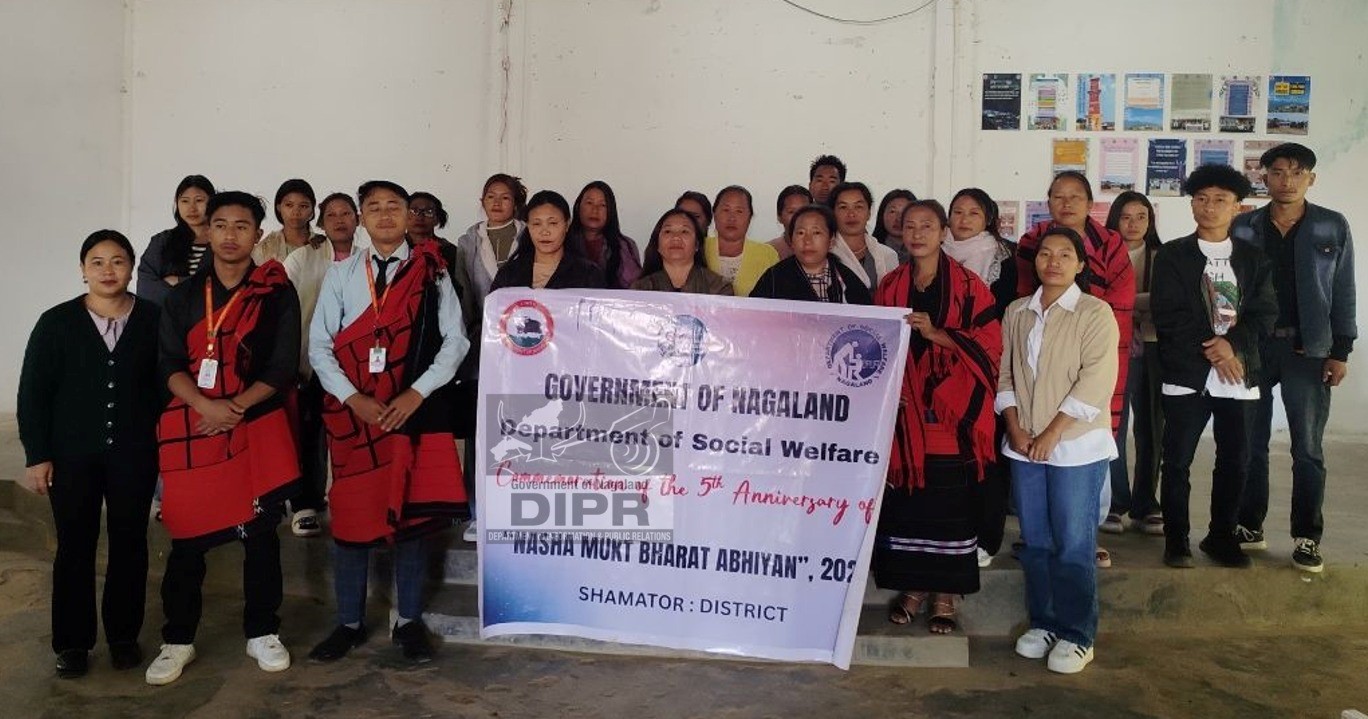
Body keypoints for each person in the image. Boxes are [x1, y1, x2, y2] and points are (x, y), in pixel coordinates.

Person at [307, 180, 470, 664]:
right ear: (361, 218)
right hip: (354, 415)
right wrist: (352, 398)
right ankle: (349, 623)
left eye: (393, 206)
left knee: (413, 517)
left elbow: (456, 341)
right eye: (373, 207)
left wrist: (417, 393)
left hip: (411, 411)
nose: (384, 215)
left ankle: (409, 622)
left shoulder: (432, 271)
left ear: (407, 215)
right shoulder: (341, 274)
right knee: (352, 512)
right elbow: (320, 345)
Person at [146, 191, 302, 686]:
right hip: (195, 423)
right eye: (220, 224)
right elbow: (168, 364)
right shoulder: (183, 296)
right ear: (207, 231)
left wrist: (234, 409)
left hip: (256, 422)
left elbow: (282, 365)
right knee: (187, 537)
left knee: (261, 533)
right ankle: (178, 638)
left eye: (241, 225)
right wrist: (206, 406)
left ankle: (263, 630)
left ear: (258, 234)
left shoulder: (276, 292)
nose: (230, 235)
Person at [18, 231, 162, 679]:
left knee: (130, 543)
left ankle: (123, 637)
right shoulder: (56, 322)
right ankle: (73, 643)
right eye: (96, 262)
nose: (107, 270)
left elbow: (166, 388)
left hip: (135, 454)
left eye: (117, 261)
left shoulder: (154, 320)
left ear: (131, 268)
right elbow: (33, 394)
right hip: (71, 456)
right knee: (74, 546)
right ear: (82, 270)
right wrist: (38, 455)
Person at [874, 200, 1002, 635]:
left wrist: (936, 334)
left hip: (950, 413)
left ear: (943, 232)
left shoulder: (970, 286)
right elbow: (876, 343)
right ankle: (913, 588)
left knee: (949, 505)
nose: (916, 234)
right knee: (909, 503)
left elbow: (989, 344)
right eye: (909, 226)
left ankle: (945, 594)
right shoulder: (890, 284)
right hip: (905, 412)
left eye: (927, 226)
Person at [999, 227, 1119, 675]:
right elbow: (1005, 374)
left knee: (1072, 543)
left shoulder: (1094, 312)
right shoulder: (1017, 312)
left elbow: (1096, 380)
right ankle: (1045, 622)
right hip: (1025, 444)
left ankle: (1077, 633)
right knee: (1036, 542)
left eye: (1065, 254)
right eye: (1046, 254)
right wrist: (1014, 427)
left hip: (1075, 445)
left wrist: (1052, 433)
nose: (1053, 262)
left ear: (1080, 264)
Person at [1235, 143, 1357, 573]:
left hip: (1308, 350)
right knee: (1250, 443)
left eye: (1297, 172)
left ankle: (1307, 536)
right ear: (1264, 177)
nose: (1287, 181)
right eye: (1278, 172)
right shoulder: (1244, 226)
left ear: (1311, 179)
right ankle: (1249, 525)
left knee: (1307, 447)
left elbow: (1342, 289)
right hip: (1254, 346)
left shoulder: (1330, 225)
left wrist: (1340, 350)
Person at [1151, 165, 1277, 569]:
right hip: (1187, 372)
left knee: (1236, 460)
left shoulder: (1254, 259)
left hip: (1238, 373)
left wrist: (1232, 345)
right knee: (1177, 460)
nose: (1209, 207)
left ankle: (1221, 537)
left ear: (1237, 207)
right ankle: (1177, 540)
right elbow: (1168, 313)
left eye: (1220, 200)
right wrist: (1216, 348)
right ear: (1192, 205)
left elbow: (1264, 313)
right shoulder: (1173, 255)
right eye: (1201, 199)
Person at [1016, 171, 1135, 568]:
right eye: (1058, 196)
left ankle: (1086, 534)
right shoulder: (1032, 242)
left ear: (1090, 203)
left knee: (1089, 443)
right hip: (1040, 354)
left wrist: (1079, 324)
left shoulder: (1111, 244)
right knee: (1035, 449)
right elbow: (1026, 297)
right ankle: (1041, 534)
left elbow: (1120, 302)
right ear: (1048, 201)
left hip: (1094, 350)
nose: (1066, 204)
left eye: (1075, 197)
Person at [281, 193, 368, 538]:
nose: (339, 220)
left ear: (357, 219)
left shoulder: (368, 258)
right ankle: (307, 503)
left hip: (356, 363)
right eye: (331, 215)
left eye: (346, 213)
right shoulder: (304, 257)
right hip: (312, 359)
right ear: (320, 222)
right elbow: (281, 303)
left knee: (353, 432)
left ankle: (355, 497)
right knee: (309, 431)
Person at [944, 187, 1019, 567]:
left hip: (986, 367)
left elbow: (1003, 319)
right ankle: (952, 531)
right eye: (957, 211)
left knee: (985, 452)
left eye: (973, 213)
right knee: (949, 455)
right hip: (942, 371)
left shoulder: (1003, 260)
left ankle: (986, 537)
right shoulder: (934, 253)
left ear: (988, 218)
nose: (964, 219)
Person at [455, 174, 527, 542]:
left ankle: (519, 506)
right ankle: (476, 511)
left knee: (523, 423)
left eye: (505, 197)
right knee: (481, 427)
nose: (497, 203)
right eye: (490, 196)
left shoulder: (530, 235)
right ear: (482, 201)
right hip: (482, 343)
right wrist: (470, 338)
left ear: (516, 203)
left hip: (526, 345)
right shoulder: (468, 241)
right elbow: (464, 292)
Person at [1103, 192, 1165, 536]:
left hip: (1154, 348)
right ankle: (1115, 502)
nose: (1133, 224)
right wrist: (1140, 304)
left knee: (1151, 427)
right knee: (1113, 425)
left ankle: (1146, 503)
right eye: (1125, 217)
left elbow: (1167, 299)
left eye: (1141, 217)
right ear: (1114, 219)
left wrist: (1123, 303)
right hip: (1112, 348)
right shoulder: (1102, 254)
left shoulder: (1164, 256)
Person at [749, 204, 871, 305]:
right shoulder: (773, 278)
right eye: (801, 233)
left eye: (816, 233)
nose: (807, 241)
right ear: (791, 241)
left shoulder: (848, 280)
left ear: (831, 241)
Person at [491, 190, 605, 291]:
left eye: (553, 223)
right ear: (528, 226)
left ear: (567, 225)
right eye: (537, 224)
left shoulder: (588, 274)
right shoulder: (509, 274)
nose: (545, 232)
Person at [137, 175, 216, 307]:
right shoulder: (162, 241)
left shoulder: (223, 241)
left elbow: (225, 282)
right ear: (177, 203)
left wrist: (179, 280)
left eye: (199, 200)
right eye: (185, 201)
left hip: (213, 316)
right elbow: (146, 286)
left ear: (212, 202)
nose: (192, 208)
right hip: (167, 317)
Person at [631, 208, 734, 295]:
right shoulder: (640, 289)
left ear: (697, 245)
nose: (676, 237)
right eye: (668, 231)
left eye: (685, 231)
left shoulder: (719, 288)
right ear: (657, 245)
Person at [704, 185, 780, 297]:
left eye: (739, 211)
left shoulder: (767, 254)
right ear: (714, 214)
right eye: (726, 210)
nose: (732, 218)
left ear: (750, 218)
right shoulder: (700, 247)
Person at [569, 180, 642, 289]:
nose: (595, 210)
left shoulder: (625, 246)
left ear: (610, 211)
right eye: (589, 203)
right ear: (578, 206)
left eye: (602, 205)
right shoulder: (563, 242)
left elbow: (635, 288)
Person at [826, 182, 899, 289]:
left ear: (869, 213)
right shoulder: (824, 253)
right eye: (843, 207)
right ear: (833, 213)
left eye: (858, 207)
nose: (851, 214)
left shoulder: (887, 255)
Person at [254, 178, 325, 264]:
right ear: (279, 207)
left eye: (303, 206)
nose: (296, 212)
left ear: (312, 209)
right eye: (289, 205)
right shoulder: (265, 248)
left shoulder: (324, 244)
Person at [767, 185, 812, 260]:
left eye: (804, 211)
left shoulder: (824, 249)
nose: (798, 217)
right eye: (791, 212)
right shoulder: (768, 251)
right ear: (779, 216)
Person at [873, 188, 917, 263]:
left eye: (905, 212)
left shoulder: (924, 252)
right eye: (892, 212)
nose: (898, 218)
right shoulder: (870, 250)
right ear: (882, 215)